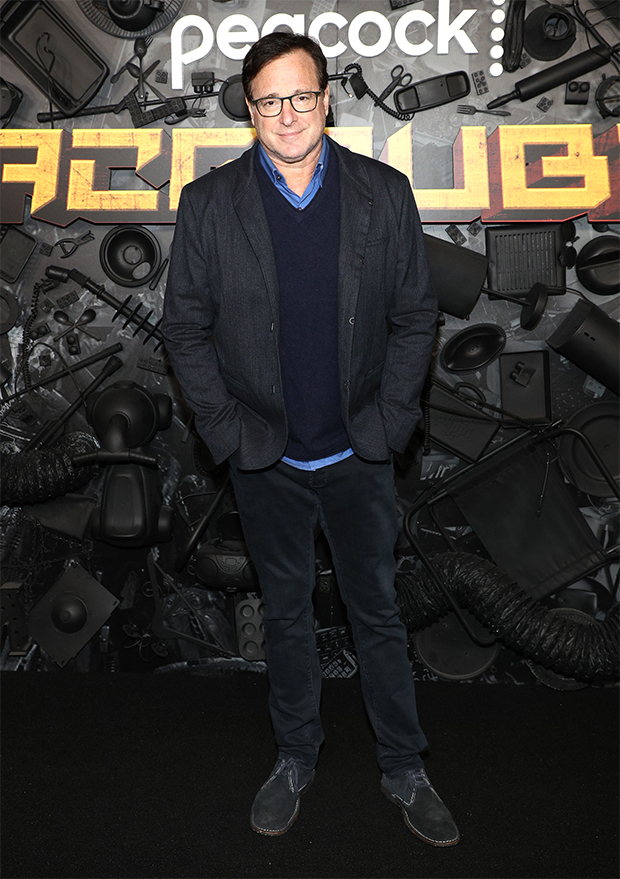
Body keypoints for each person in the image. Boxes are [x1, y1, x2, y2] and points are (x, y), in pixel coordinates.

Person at [162, 31, 459, 847]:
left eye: (301, 96)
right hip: (267, 458)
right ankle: (295, 756)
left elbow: (415, 316)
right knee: (287, 615)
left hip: (360, 451)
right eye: (270, 100)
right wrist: (229, 433)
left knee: (378, 614)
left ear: (326, 100)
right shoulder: (210, 203)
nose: (287, 114)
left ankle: (404, 766)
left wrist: (390, 423)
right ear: (249, 109)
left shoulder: (383, 193)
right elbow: (183, 329)